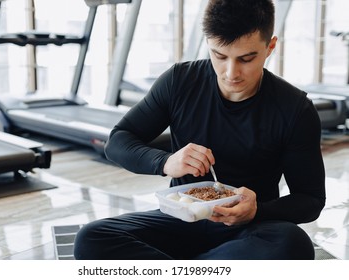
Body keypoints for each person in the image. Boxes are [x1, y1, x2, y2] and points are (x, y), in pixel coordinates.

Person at [74, 0, 326, 260]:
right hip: (181, 220)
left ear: (270, 46)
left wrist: (258, 211)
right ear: (208, 43)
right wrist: (165, 162)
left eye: (246, 58)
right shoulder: (179, 81)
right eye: (219, 55)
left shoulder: (295, 109)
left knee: (293, 244)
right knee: (92, 238)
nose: (231, 73)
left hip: (248, 229)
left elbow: (310, 199)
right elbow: (117, 142)